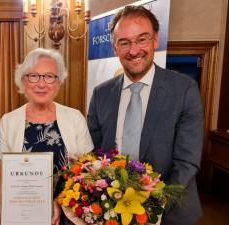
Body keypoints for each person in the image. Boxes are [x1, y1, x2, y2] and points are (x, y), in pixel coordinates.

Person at [87, 5, 204, 225]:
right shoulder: (101, 94)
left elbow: (187, 162)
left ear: (155, 40)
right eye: (124, 42)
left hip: (169, 213)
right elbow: (93, 154)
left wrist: (151, 209)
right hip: (112, 211)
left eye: (142, 39)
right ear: (115, 48)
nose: (133, 50)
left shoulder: (184, 89)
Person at [0, 48, 94, 225]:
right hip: (23, 215)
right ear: (23, 81)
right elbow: (1, 173)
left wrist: (59, 201)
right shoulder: (8, 121)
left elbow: (89, 171)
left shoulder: (75, 118)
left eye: (49, 76)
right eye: (34, 76)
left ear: (58, 82)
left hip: (70, 214)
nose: (41, 84)